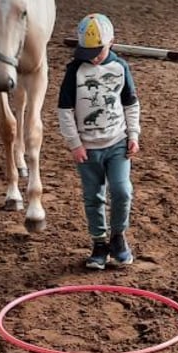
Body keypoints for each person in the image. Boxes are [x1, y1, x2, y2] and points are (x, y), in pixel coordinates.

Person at [57, 13, 141, 270]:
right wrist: (75, 143)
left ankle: (118, 237)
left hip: (117, 143)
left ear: (111, 42)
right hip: (88, 148)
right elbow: (65, 110)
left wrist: (133, 134)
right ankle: (99, 243)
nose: (92, 57)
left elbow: (131, 103)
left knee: (122, 191)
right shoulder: (75, 70)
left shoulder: (120, 68)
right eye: (87, 52)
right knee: (93, 196)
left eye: (98, 51)